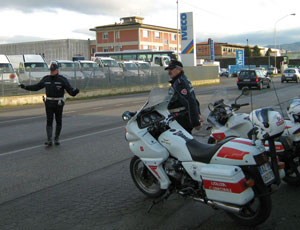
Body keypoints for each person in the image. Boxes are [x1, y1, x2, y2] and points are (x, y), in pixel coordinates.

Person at [19, 62, 80, 146]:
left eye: (53, 70)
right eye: (51, 70)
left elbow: (71, 92)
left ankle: (56, 138)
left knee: (58, 120)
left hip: (58, 103)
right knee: (49, 121)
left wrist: (75, 92)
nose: (52, 72)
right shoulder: (46, 79)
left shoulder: (62, 79)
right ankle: (49, 140)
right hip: (49, 103)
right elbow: (36, 87)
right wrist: (25, 87)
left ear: (57, 70)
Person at [165, 60, 203, 134]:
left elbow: (190, 101)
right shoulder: (180, 80)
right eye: (169, 69)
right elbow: (194, 99)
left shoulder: (180, 83)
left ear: (179, 69)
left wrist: (195, 122)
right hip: (180, 118)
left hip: (181, 119)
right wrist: (198, 114)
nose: (169, 71)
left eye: (171, 69)